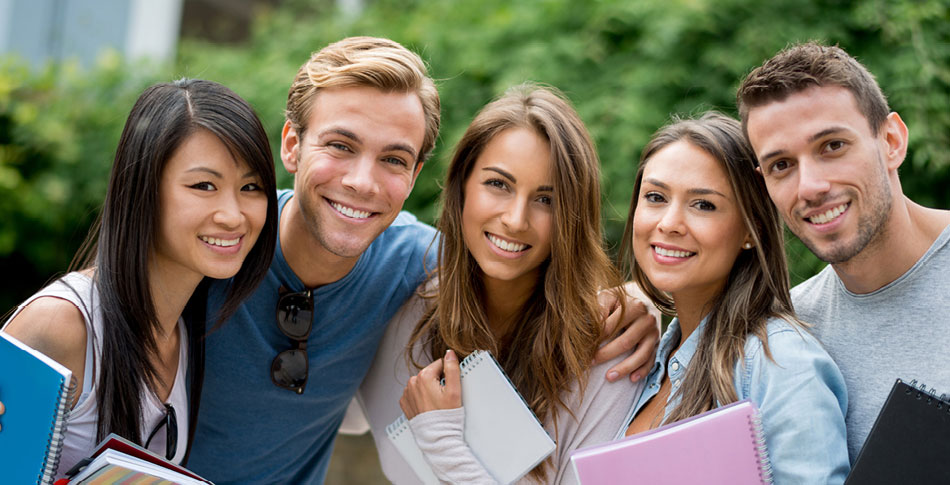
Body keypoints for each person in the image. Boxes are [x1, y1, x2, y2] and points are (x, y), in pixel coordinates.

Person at [185, 37, 659, 484]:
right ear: (291, 144)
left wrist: (639, 301)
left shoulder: (412, 266)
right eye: (341, 146)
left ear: (416, 174)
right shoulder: (215, 243)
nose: (363, 182)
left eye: (393, 159)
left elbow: (505, 261)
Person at [354, 84, 653, 484]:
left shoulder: (607, 350)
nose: (515, 219)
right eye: (498, 184)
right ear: (461, 187)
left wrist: (442, 445)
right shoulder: (399, 303)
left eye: (546, 199)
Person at [0, 79, 278, 478]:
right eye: (204, 185)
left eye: (251, 187)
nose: (233, 215)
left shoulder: (189, 334)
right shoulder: (62, 327)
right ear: (144, 188)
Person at [737, 42, 950, 462]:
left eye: (832, 146)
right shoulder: (784, 335)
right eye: (782, 165)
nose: (811, 186)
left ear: (891, 140)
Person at [618, 112, 850, 483]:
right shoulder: (648, 362)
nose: (669, 223)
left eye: (703, 205)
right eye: (656, 197)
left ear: (750, 229)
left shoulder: (781, 363)